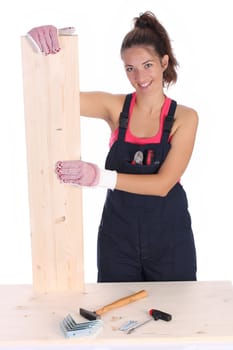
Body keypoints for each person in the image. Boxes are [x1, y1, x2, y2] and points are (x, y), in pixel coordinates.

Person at [27, 11, 198, 283]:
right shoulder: (116, 108)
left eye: (147, 65)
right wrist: (44, 53)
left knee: (176, 318)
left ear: (164, 62)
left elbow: (163, 184)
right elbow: (56, 97)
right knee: (115, 320)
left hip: (170, 239)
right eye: (130, 68)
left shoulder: (184, 118)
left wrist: (100, 177)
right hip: (118, 239)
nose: (139, 76)